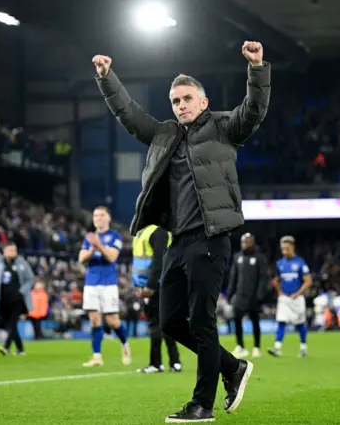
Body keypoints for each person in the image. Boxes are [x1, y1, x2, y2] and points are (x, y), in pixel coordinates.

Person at [93, 40, 270, 422]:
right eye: (175, 101)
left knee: (202, 322)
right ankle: (232, 368)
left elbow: (254, 111)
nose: (181, 105)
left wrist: (256, 69)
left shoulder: (223, 128)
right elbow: (129, 114)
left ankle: (202, 404)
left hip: (211, 239)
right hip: (177, 243)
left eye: (187, 98)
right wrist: (107, 78)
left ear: (203, 102)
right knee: (170, 321)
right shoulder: (163, 135)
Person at [79, 206, 130, 367]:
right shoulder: (89, 238)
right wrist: (93, 246)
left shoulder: (115, 236)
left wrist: (98, 245)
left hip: (108, 283)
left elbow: (112, 257)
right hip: (91, 283)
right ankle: (96, 356)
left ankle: (124, 344)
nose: (98, 218)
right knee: (94, 320)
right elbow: (81, 259)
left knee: (113, 321)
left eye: (101, 215)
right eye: (95, 215)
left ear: (108, 218)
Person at [132, 224, 182, 374]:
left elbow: (159, 260)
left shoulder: (156, 232)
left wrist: (150, 286)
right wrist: (138, 286)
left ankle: (157, 363)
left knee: (158, 323)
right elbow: (138, 263)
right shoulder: (142, 233)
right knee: (161, 323)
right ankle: (174, 362)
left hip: (158, 285)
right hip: (148, 285)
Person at [0, 242, 35, 355]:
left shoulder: (22, 263)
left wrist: (22, 292)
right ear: (4, 251)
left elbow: (30, 279)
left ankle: (6, 347)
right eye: (10, 250)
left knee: (12, 323)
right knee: (10, 325)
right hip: (2, 299)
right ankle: (20, 349)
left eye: (14, 250)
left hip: (17, 299)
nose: (13, 253)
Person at [268, 236, 313, 358]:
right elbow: (276, 280)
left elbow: (308, 281)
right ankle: (277, 348)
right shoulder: (280, 263)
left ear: (292, 247)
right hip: (284, 299)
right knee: (281, 322)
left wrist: (297, 293)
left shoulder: (300, 263)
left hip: (297, 299)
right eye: (282, 249)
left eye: (286, 248)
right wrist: (279, 291)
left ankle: (303, 348)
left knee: (300, 324)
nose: (284, 251)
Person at [227, 233, 268, 359]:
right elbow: (233, 276)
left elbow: (263, 277)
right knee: (237, 320)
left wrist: (260, 295)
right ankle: (240, 347)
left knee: (255, 321)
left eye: (248, 242)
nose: (245, 244)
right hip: (239, 296)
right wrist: (230, 292)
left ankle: (256, 347)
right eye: (243, 242)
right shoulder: (237, 257)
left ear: (253, 242)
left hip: (253, 296)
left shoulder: (259, 258)